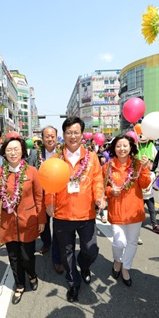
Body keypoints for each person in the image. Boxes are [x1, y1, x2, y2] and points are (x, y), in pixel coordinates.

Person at [45, 117, 105, 303]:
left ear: (82, 135)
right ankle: (73, 284)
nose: (73, 136)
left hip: (86, 213)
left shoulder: (92, 157)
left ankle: (84, 265)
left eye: (76, 132)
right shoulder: (55, 159)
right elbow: (48, 184)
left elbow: (97, 180)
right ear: (64, 135)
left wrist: (99, 198)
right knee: (66, 253)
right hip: (62, 215)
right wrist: (49, 203)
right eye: (69, 132)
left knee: (90, 249)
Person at [0, 137, 46, 304]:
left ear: (22, 151)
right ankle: (20, 285)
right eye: (9, 150)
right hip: (8, 223)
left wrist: (41, 219)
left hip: (28, 221)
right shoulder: (0, 173)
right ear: (4, 153)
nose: (13, 152)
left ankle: (32, 275)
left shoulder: (32, 171)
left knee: (27, 257)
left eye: (16, 149)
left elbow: (39, 197)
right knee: (14, 257)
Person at [103, 135, 151, 287]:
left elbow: (144, 185)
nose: (121, 149)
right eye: (118, 146)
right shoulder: (108, 166)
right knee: (119, 242)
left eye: (125, 146)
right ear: (113, 148)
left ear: (131, 148)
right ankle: (117, 260)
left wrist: (144, 169)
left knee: (131, 242)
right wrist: (111, 191)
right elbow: (102, 188)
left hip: (134, 211)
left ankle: (126, 267)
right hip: (117, 210)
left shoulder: (138, 164)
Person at [28, 126, 64, 274]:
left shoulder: (62, 154)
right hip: (40, 195)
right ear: (42, 139)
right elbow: (29, 170)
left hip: (57, 195)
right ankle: (46, 242)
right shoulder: (35, 153)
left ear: (57, 137)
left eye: (52, 136)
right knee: (42, 221)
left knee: (58, 226)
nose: (50, 139)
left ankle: (57, 258)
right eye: (47, 136)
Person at [142, 158, 159, 234]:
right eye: (149, 163)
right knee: (139, 211)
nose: (151, 165)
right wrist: (143, 189)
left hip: (150, 196)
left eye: (151, 164)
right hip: (141, 197)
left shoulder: (153, 174)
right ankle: (134, 223)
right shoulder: (140, 173)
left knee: (152, 211)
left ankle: (155, 225)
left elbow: (154, 185)